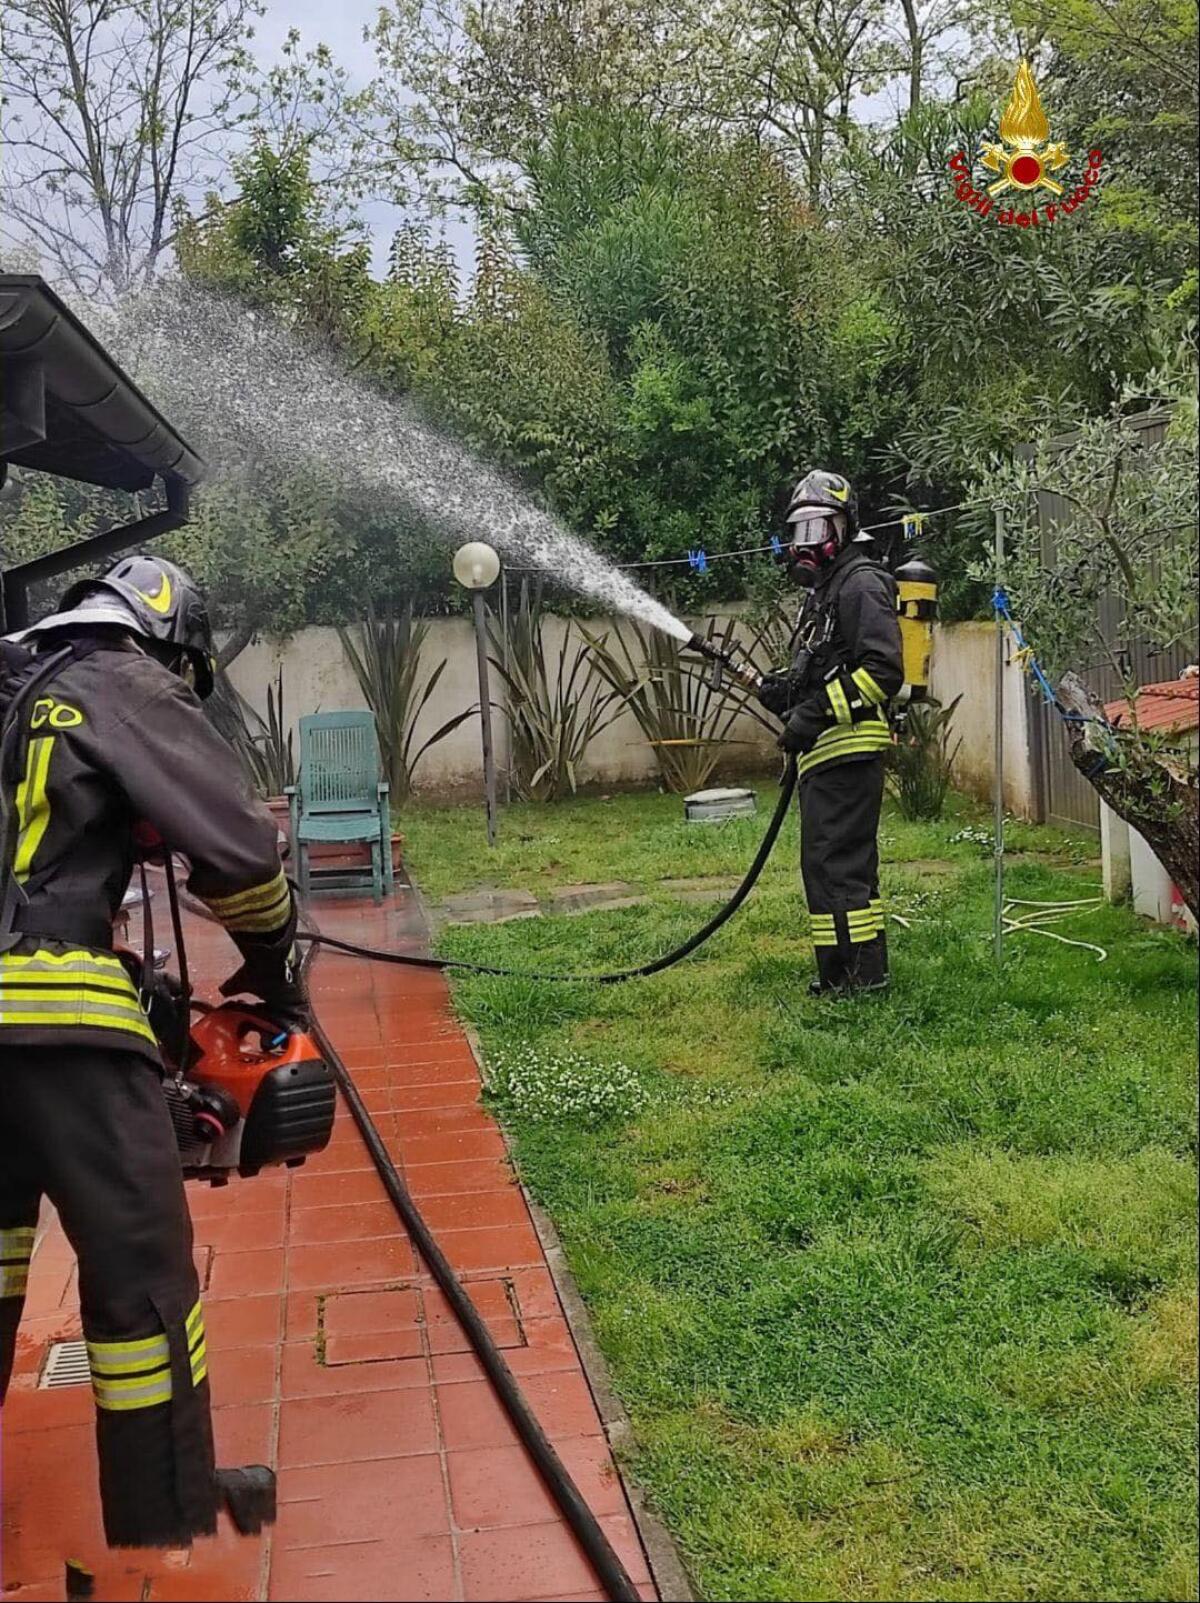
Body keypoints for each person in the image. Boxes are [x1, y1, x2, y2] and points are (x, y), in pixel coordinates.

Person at [0, 554, 307, 1549]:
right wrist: (273, 963)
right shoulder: (122, 680)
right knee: (141, 1270)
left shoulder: (15, 693)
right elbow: (241, 856)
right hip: (56, 1027)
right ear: (166, 638)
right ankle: (160, 1517)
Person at [757, 470, 903, 995]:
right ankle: (839, 975)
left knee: (838, 868)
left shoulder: (861, 584)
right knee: (824, 868)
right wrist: (784, 691)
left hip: (849, 749)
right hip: (827, 755)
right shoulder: (827, 590)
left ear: (844, 530)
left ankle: (862, 980)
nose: (806, 544)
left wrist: (814, 714)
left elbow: (884, 672)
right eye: (798, 532)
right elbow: (823, 667)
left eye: (818, 529)